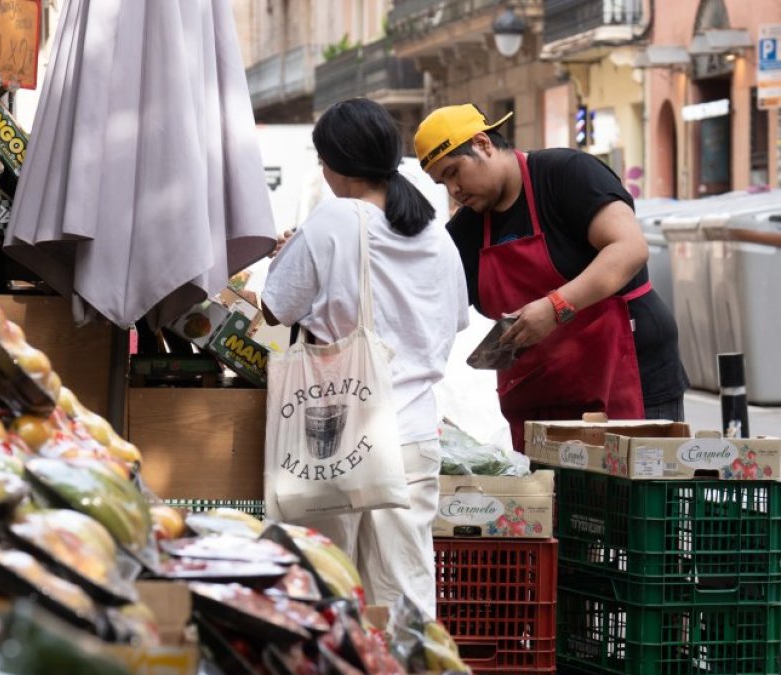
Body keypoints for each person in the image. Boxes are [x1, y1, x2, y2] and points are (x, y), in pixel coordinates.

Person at [261, 98, 469, 618]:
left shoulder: (333, 219)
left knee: (328, 592)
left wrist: (293, 255)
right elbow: (455, 321)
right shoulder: (436, 234)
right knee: (405, 598)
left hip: (339, 434)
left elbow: (274, 307)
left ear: (336, 163)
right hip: (415, 439)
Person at [413, 104, 689, 452]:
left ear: (483, 144)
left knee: (633, 499)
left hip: (629, 372)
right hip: (542, 391)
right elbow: (432, 309)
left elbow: (629, 248)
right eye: (443, 182)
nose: (453, 189)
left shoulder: (567, 174)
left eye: (455, 171)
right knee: (554, 504)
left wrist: (556, 306)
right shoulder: (466, 232)